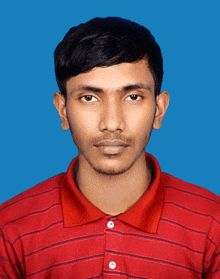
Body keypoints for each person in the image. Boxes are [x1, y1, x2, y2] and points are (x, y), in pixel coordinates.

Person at [0, 17, 219, 278]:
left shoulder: (213, 224)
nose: (112, 123)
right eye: (89, 98)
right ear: (63, 111)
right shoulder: (10, 228)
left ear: (159, 109)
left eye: (133, 97)